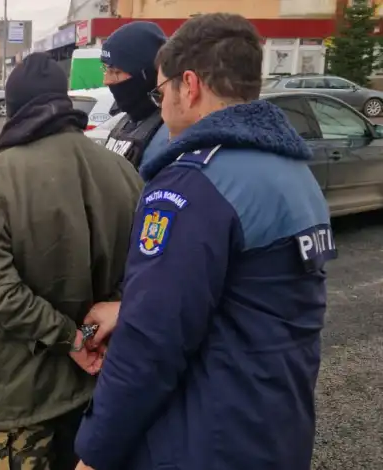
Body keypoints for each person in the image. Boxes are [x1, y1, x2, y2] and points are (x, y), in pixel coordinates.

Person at [74, 13, 336, 470]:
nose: (160, 106)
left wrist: (93, 453)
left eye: (160, 91)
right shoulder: (295, 173)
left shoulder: (191, 187)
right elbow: (248, 295)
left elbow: (150, 348)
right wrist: (130, 307)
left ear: (189, 85)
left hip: (206, 440)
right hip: (278, 428)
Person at [0, 52, 143, 470]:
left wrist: (70, 339)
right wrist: (85, 335)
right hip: (97, 385)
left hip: (19, 396)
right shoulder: (123, 172)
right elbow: (142, 273)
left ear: (14, 108)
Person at [101, 21, 170, 174]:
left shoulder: (170, 132)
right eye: (106, 70)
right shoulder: (125, 122)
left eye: (116, 72)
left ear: (146, 75)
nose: (106, 81)